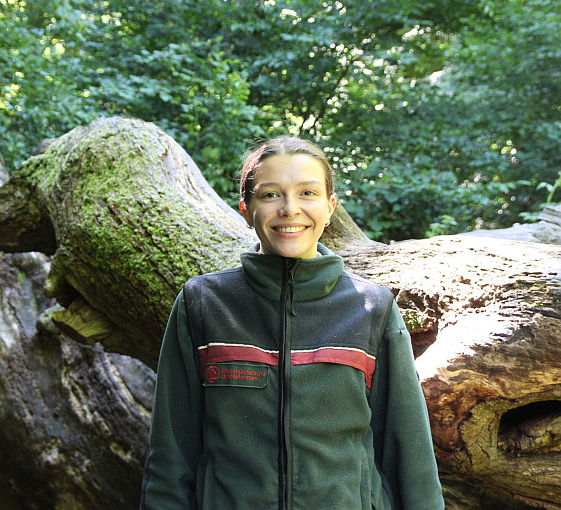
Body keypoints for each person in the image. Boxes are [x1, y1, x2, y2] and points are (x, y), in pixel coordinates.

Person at [139, 136, 444, 509]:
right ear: (245, 208)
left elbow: (410, 456)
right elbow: (172, 455)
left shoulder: (371, 308)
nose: (290, 209)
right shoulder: (203, 303)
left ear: (331, 207)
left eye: (308, 193)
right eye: (270, 195)